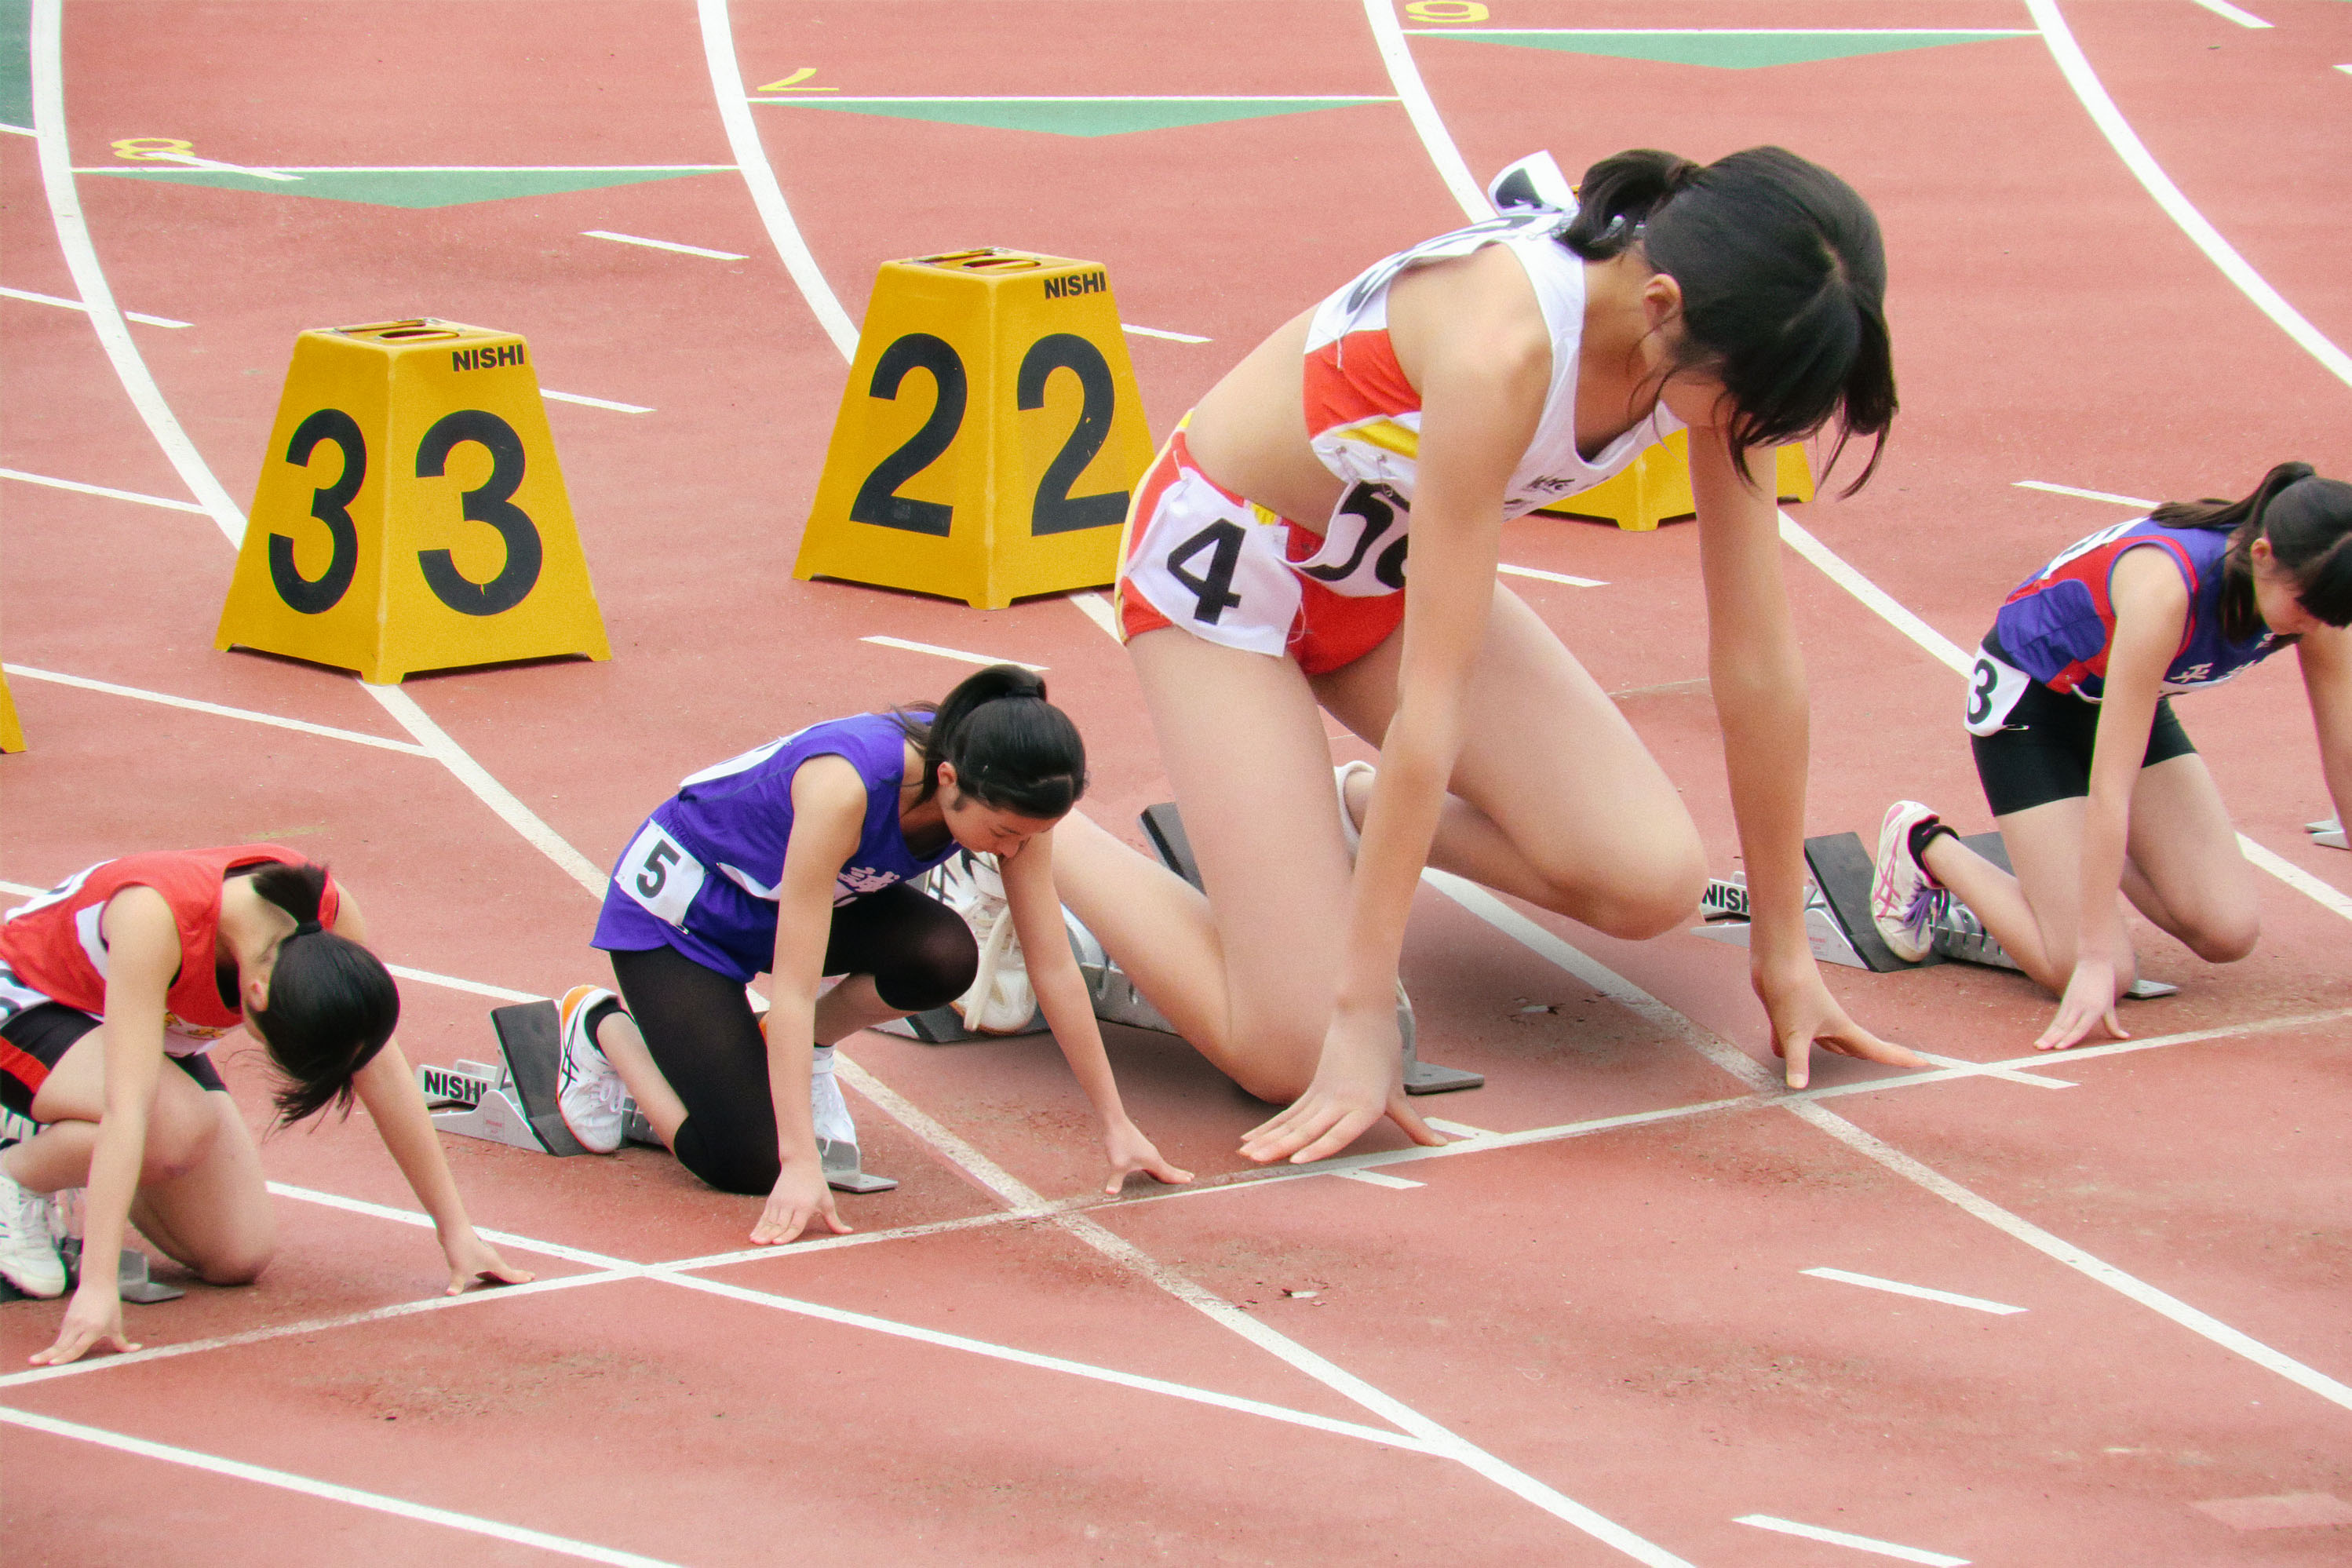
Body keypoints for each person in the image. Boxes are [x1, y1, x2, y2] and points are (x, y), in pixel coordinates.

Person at [1041, 145, 1924, 1165]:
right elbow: (1434, 706)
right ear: (1662, 309)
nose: (1752, 432)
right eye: (1746, 404)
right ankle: (1014, 819)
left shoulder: (1731, 323)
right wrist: (1360, 1012)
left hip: (1382, 582)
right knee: (1295, 1048)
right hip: (1228, 581)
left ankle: (1349, 815)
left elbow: (1759, 661)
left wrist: (1783, 951)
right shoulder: (1498, 354)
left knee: (1652, 880)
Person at [557, 665, 1190, 1244]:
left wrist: (1116, 1122)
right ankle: (602, 1029)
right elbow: (794, 987)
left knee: (942, 957)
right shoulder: (843, 789)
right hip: (683, 917)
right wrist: (798, 1162)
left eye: (1032, 835)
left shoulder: (1011, 796)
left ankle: (796, 1046)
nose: (1012, 851)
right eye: (1002, 833)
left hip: (788, 900)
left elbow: (1052, 965)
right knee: (748, 1164)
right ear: (948, 781)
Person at [1871, 463, 2352, 1050]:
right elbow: (2110, 789)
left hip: (2121, 697)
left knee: (2228, 931)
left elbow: (2346, 752)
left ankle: (2060, 851)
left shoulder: (2321, 598)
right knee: (2095, 970)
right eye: (2307, 608)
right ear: (2261, 556)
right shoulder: (2166, 593)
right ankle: (1925, 845)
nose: (2317, 625)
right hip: (2032, 709)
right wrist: (2095, 958)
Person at [0, 846, 531, 1365]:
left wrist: (456, 1230)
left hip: (139, 1025)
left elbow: (377, 1062)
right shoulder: (154, 918)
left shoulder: (326, 916)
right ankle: (16, 1173)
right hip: (30, 997)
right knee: (173, 1129)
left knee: (236, 1255)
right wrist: (96, 1286)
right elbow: (127, 1108)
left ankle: (61, 1134)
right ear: (255, 993)